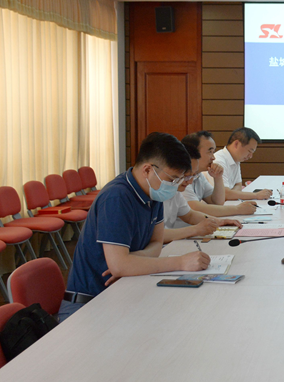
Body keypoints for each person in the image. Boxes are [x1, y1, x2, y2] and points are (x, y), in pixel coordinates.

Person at [60, 132, 210, 321]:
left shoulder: (153, 194)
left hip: (121, 291)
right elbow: (120, 266)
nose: (174, 186)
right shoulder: (117, 197)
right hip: (88, 305)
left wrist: (131, 262)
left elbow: (156, 244)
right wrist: (180, 262)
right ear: (147, 170)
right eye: (172, 179)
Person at [163, 143, 242, 243]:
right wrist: (195, 230)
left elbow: (190, 215)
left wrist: (219, 222)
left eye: (193, 175)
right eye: (186, 175)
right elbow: (156, 235)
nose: (190, 181)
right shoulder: (159, 191)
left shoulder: (176, 189)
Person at [181, 131, 259, 217]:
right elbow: (195, 208)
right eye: (210, 152)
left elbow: (217, 202)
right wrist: (238, 209)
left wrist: (218, 178)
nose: (213, 157)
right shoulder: (181, 177)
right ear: (193, 153)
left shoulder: (198, 176)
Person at [213, 127, 272, 201]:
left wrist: (231, 194)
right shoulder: (218, 161)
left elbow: (238, 184)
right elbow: (224, 193)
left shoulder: (236, 159)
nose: (250, 156)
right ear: (236, 144)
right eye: (249, 151)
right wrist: (256, 195)